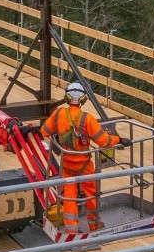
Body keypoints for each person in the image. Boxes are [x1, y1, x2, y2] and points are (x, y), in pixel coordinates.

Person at [39, 82, 121, 237]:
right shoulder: (87, 119)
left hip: (67, 165)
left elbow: (44, 131)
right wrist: (120, 139)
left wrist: (57, 138)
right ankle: (95, 226)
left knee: (69, 197)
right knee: (92, 195)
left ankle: (71, 231)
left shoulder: (58, 114)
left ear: (67, 98)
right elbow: (104, 141)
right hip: (84, 165)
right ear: (83, 99)